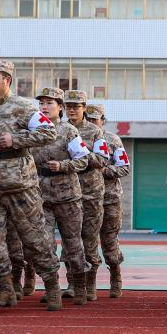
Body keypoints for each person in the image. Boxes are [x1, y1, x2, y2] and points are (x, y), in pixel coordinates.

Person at [0, 60, 64, 309]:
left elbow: (48, 132)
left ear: (6, 80)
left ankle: (52, 285)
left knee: (34, 238)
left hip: (20, 184)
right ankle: (5, 289)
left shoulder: (23, 107)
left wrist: (16, 139)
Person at [32, 87, 92, 305]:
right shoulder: (33, 130)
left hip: (67, 196)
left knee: (73, 244)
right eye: (42, 103)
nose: (44, 107)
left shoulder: (68, 131)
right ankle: (52, 287)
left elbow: (83, 160)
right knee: (44, 245)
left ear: (60, 107)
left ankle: (79, 285)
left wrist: (63, 165)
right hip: (41, 197)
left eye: (49, 103)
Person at [64, 90, 111, 300]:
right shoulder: (59, 129)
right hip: (64, 192)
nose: (72, 110)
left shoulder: (95, 132)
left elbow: (102, 160)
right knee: (69, 241)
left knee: (89, 240)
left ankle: (90, 283)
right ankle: (73, 284)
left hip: (90, 193)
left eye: (76, 106)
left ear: (84, 107)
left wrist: (81, 154)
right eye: (69, 106)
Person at [90, 105, 131, 298]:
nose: (91, 123)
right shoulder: (77, 138)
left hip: (109, 199)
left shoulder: (112, 140)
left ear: (102, 120)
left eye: (94, 120)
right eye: (87, 119)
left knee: (109, 241)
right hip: (85, 199)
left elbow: (124, 167)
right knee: (85, 243)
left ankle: (115, 276)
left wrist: (105, 171)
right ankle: (88, 283)